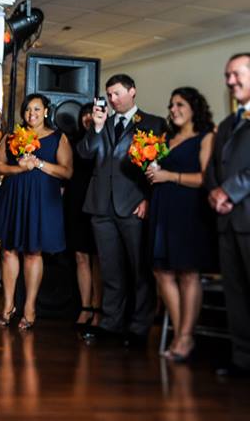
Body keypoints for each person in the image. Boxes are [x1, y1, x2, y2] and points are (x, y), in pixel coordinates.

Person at [77, 74, 166, 348]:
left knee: (139, 269)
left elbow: (159, 167)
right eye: (109, 95)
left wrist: (149, 199)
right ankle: (110, 323)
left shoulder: (152, 123)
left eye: (116, 94)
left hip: (133, 205)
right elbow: (85, 153)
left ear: (132, 92)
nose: (112, 100)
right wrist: (96, 127)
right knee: (110, 268)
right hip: (102, 205)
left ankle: (139, 327)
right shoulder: (100, 122)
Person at [0, 94, 72, 330]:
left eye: (37, 109)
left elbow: (67, 172)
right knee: (8, 251)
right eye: (27, 109)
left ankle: (29, 307)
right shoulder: (11, 136)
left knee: (33, 252)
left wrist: (39, 164)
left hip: (42, 199)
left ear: (45, 111)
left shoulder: (58, 138)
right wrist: (18, 168)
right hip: (14, 195)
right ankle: (7, 304)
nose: (31, 114)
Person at [145, 87, 214, 362]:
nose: (173, 109)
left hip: (189, 210)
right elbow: (155, 171)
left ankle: (185, 337)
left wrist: (168, 176)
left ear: (194, 107)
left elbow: (204, 178)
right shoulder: (166, 138)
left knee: (188, 273)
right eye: (171, 105)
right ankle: (179, 332)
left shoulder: (206, 138)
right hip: (162, 207)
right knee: (162, 272)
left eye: (180, 104)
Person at [207, 53, 250, 378]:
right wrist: (213, 190)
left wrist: (230, 192)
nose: (230, 81)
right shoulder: (228, 123)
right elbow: (213, 167)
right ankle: (242, 360)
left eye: (236, 74)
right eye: (227, 75)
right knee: (235, 294)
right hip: (226, 223)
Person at [64, 103, 102, 329]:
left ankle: (98, 308)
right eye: (85, 114)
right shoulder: (72, 140)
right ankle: (85, 306)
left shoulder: (105, 136)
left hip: (98, 201)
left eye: (92, 113)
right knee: (80, 256)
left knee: (98, 256)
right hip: (76, 201)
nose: (88, 117)